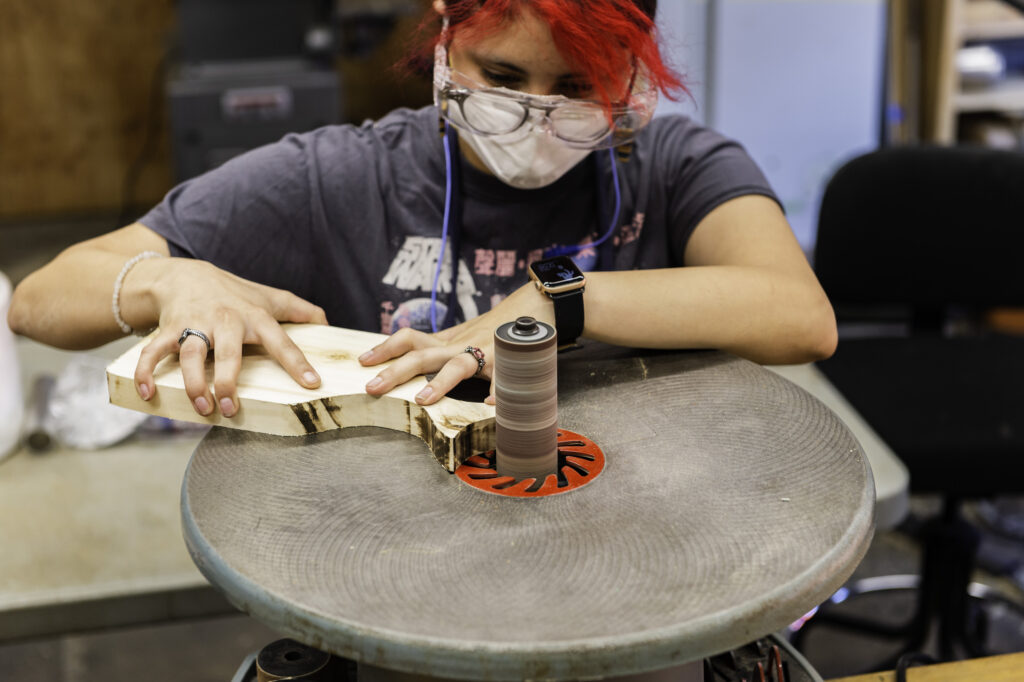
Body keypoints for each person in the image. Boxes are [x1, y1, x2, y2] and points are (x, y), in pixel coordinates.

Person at [8, 0, 837, 420]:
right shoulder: (337, 177)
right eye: (503, 77)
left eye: (579, 89)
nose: (533, 115)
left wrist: (557, 301)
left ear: (633, 82)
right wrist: (171, 282)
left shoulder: (676, 165)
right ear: (444, 38)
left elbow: (802, 318)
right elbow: (41, 300)